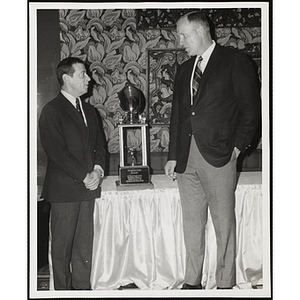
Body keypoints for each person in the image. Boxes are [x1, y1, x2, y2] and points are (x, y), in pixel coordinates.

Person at [164, 11, 260, 289]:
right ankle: (192, 281)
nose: (180, 41)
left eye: (184, 35)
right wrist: (172, 155)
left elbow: (250, 111)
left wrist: (238, 148)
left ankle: (225, 282)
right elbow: (178, 116)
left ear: (202, 32)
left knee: (223, 226)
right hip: (186, 159)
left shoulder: (234, 61)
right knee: (192, 227)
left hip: (220, 156)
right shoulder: (184, 69)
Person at [39, 57, 107, 290]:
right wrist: (84, 175)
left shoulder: (89, 110)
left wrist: (97, 170)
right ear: (66, 79)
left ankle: (82, 291)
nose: (89, 78)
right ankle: (62, 293)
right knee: (62, 249)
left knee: (83, 248)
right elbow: (56, 151)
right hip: (65, 190)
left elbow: (100, 146)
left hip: (88, 189)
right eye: (82, 74)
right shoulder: (51, 111)